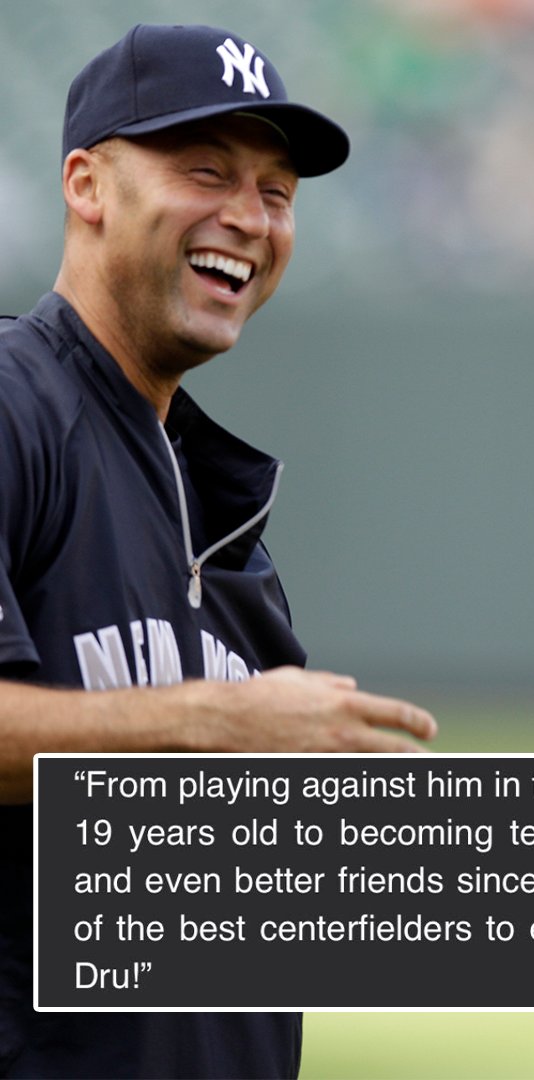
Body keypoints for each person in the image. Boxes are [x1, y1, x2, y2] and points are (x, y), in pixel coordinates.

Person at [0, 23, 437, 1079]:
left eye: (278, 192)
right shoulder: (17, 405)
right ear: (87, 184)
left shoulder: (215, 498)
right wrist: (215, 721)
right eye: (205, 171)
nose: (249, 217)